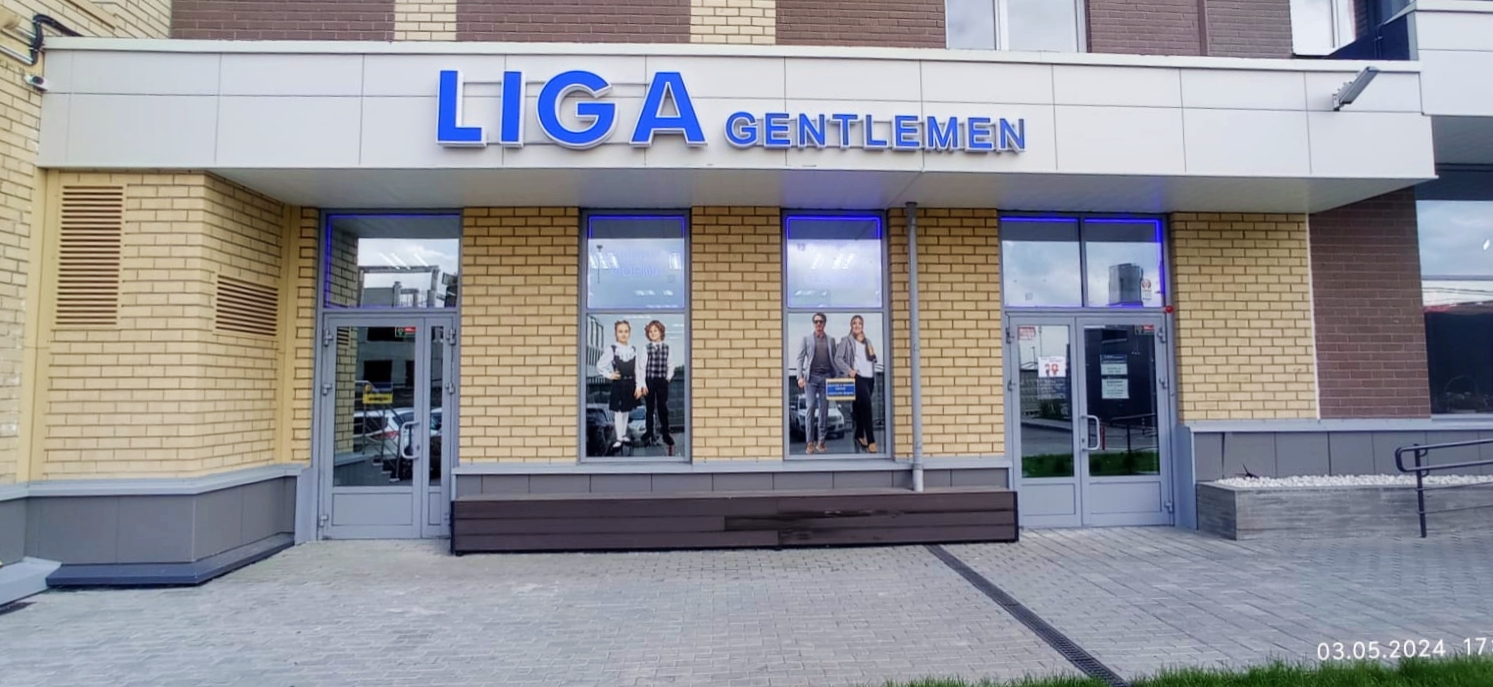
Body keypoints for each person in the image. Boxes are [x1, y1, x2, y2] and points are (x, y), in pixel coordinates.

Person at [794, 312, 843, 454]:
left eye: (821, 321)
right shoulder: (806, 339)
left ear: (824, 324)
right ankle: (810, 442)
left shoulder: (830, 340)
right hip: (811, 378)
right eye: (816, 322)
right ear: (813, 324)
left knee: (824, 409)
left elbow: (835, 359)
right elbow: (800, 359)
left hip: (826, 377)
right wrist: (799, 377)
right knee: (810, 407)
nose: (818, 324)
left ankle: (821, 442)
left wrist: (840, 374)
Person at [596, 320, 645, 454]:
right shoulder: (612, 349)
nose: (623, 334)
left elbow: (637, 369)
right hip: (619, 384)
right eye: (620, 331)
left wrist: (638, 386)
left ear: (629, 333)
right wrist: (609, 375)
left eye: (626, 331)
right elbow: (600, 365)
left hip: (630, 384)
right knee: (618, 412)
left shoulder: (633, 350)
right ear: (616, 333)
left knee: (626, 411)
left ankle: (623, 435)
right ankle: (618, 438)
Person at [837, 315, 880, 453]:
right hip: (857, 377)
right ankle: (871, 441)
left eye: (859, 323)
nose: (857, 325)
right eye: (854, 323)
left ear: (862, 326)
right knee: (867, 406)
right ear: (851, 326)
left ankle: (859, 434)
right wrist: (849, 371)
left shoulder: (868, 341)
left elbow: (872, 358)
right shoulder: (846, 341)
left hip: (870, 378)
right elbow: (838, 358)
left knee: (861, 408)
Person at [641, 319, 677, 457]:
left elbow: (671, 364)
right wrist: (643, 383)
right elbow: (642, 366)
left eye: (655, 331)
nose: (653, 333)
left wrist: (668, 378)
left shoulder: (667, 348)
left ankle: (665, 433)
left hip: (662, 381)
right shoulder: (646, 348)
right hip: (650, 380)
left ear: (661, 332)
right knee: (649, 408)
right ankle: (649, 431)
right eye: (650, 331)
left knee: (662, 407)